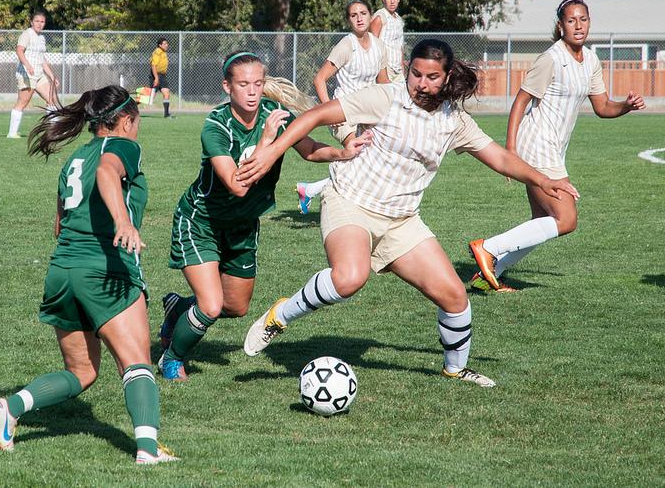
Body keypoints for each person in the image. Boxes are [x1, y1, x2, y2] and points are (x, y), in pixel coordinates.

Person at [238, 39, 580, 388]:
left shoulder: (455, 121)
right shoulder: (387, 98)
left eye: (432, 77)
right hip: (351, 201)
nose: (421, 83)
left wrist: (543, 180)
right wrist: (271, 152)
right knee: (349, 278)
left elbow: (500, 158)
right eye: (416, 74)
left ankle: (455, 370)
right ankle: (280, 316)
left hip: (402, 220)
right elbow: (316, 115)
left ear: (447, 78)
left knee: (455, 298)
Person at [0, 85, 177, 464]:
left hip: (62, 271)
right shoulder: (120, 147)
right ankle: (149, 452)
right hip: (104, 270)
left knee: (83, 371)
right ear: (125, 120)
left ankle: (10, 408)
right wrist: (124, 221)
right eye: (136, 123)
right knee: (137, 363)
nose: (137, 130)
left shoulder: (76, 158)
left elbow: (59, 224)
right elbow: (108, 173)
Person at [156, 51, 372, 381]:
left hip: (243, 226)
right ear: (227, 86)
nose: (253, 91)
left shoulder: (275, 113)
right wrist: (267, 142)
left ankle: (179, 308)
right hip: (201, 222)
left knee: (234, 307)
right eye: (243, 84)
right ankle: (172, 358)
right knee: (211, 306)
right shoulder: (216, 126)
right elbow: (237, 185)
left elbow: (310, 148)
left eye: (258, 83)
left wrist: (343, 153)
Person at [468, 0, 646, 293]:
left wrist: (626, 106)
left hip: (553, 149)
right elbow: (520, 102)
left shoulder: (590, 60)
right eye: (571, 20)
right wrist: (511, 152)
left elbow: (602, 106)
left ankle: (490, 274)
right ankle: (488, 248)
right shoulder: (551, 58)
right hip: (536, 145)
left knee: (542, 221)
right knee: (566, 219)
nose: (578, 26)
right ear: (560, 26)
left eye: (583, 19)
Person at [296, 0, 389, 215]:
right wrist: (329, 112)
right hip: (344, 112)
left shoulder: (379, 46)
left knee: (368, 161)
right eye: (354, 15)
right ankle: (342, 207)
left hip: (369, 111)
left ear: (370, 16)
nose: (359, 18)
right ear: (349, 20)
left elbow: (384, 83)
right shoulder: (347, 45)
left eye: (363, 13)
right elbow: (319, 79)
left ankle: (309, 190)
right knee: (356, 153)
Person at [7, 10, 60, 139]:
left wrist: (52, 76)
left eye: (42, 22)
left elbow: (42, 59)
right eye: (37, 21)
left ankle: (54, 130)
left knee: (51, 99)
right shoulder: (27, 34)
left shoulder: (41, 38)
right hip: (26, 73)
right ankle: (12, 133)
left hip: (39, 74)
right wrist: (27, 65)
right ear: (31, 22)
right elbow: (19, 51)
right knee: (23, 102)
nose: (39, 24)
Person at [370, 0, 405, 83]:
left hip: (397, 70)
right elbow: (373, 46)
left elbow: (400, 45)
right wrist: (381, 73)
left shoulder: (399, 19)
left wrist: (402, 67)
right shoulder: (379, 17)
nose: (392, 1)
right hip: (385, 69)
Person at [150, 38, 173, 118]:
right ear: (160, 45)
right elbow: (153, 66)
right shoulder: (157, 52)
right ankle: (132, 107)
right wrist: (156, 78)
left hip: (162, 76)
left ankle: (166, 114)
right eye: (165, 44)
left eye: (167, 43)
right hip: (155, 75)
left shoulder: (164, 52)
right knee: (150, 97)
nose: (167, 45)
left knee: (166, 93)